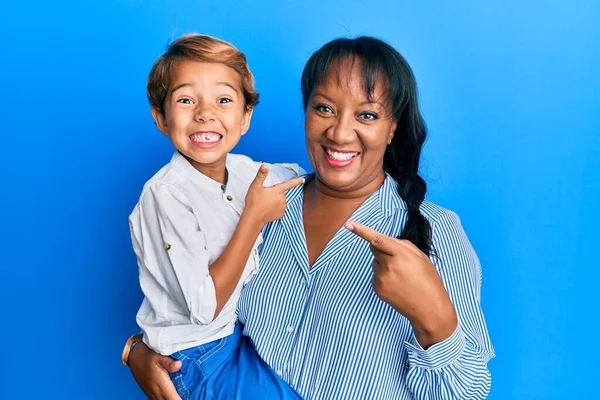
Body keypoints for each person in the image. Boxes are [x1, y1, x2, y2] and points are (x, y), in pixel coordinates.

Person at [126, 36, 495, 400]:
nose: (339, 132)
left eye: (366, 115)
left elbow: (468, 392)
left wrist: (435, 320)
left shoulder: (434, 232)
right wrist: (138, 352)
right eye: (324, 108)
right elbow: (188, 294)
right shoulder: (263, 202)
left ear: (392, 126)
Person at [125, 33, 305, 399]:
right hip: (194, 356)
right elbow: (204, 309)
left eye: (223, 100)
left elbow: (295, 175)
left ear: (245, 118)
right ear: (161, 117)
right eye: (186, 100)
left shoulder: (242, 170)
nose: (205, 113)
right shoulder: (165, 195)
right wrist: (253, 217)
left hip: (235, 338)